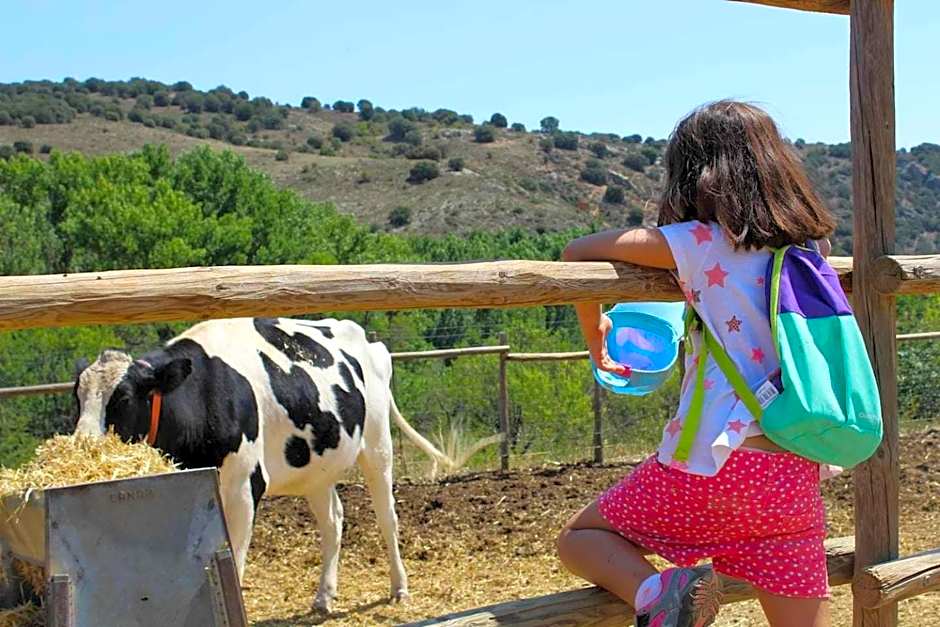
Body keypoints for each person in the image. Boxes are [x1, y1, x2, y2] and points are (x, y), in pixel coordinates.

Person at [556, 100, 836, 627]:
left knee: (580, 538)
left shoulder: (699, 242)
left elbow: (577, 252)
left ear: (694, 175)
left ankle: (661, 594)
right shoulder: (810, 248)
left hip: (710, 467)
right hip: (794, 472)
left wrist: (597, 335)